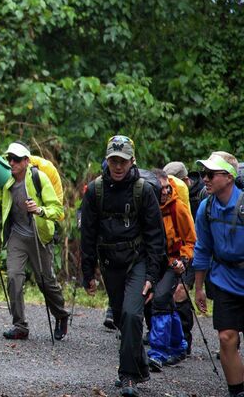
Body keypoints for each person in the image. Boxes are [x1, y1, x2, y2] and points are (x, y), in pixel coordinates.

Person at [80, 135, 166, 396]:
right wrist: (88, 272)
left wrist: (152, 274)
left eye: (123, 161)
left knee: (131, 314)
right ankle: (139, 367)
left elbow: (156, 236)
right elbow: (88, 235)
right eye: (114, 161)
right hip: (109, 263)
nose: (118, 166)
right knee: (120, 317)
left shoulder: (144, 190)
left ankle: (127, 376)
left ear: (132, 161)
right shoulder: (95, 191)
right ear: (107, 161)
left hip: (137, 262)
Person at [0, 142, 69, 341]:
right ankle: (20, 325)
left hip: (39, 235)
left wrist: (39, 210)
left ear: (26, 161)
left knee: (45, 281)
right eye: (10, 158)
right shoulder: (5, 178)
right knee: (14, 278)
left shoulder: (39, 178)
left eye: (17, 159)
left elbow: (57, 210)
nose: (12, 162)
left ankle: (61, 315)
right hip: (17, 235)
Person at [193, 152, 244, 397]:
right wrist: (199, 287)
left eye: (211, 174)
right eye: (204, 174)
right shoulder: (206, 208)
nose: (205, 179)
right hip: (224, 278)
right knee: (226, 337)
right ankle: (237, 392)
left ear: (229, 177)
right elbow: (202, 247)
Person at [145, 169, 195, 370]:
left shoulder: (178, 208)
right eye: (161, 188)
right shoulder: (147, 206)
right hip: (152, 262)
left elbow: (191, 239)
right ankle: (179, 346)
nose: (165, 192)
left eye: (167, 187)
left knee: (160, 301)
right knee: (166, 304)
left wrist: (184, 259)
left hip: (173, 263)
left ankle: (157, 353)